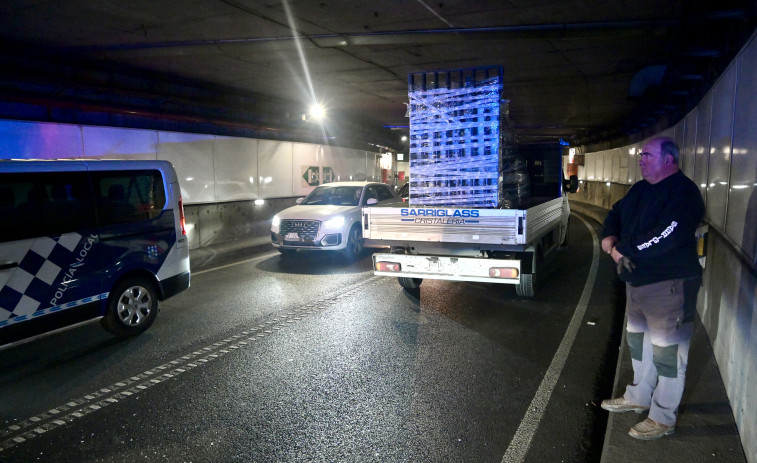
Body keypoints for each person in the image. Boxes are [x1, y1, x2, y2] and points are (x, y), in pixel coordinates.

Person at [600, 136, 704, 440]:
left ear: (668, 159)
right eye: (640, 155)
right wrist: (609, 236)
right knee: (640, 347)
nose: (640, 159)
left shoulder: (684, 194)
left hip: (669, 287)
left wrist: (623, 251)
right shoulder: (641, 188)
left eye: (647, 155)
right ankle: (638, 397)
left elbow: (665, 235)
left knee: (669, 355)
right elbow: (616, 212)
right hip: (637, 284)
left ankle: (663, 417)